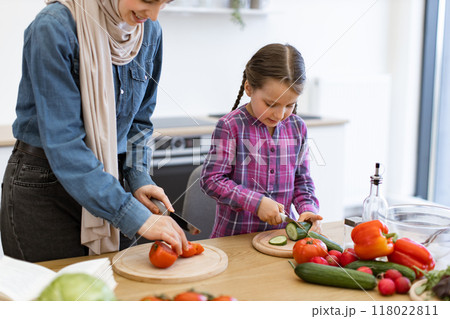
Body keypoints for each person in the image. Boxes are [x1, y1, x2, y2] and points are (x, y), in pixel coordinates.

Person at [0, 0, 188, 262]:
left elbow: (139, 122)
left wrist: (138, 176)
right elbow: (64, 142)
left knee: (109, 294)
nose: (154, 14)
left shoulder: (149, 33)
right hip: (44, 188)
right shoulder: (54, 27)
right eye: (148, 0)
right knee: (54, 297)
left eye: (165, 3)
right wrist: (133, 215)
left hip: (110, 181)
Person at [200, 43, 322, 238]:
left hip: (281, 238)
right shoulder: (230, 126)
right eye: (271, 104)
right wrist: (255, 203)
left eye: (290, 105)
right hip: (235, 241)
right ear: (249, 88)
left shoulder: (297, 128)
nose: (280, 114)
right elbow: (211, 180)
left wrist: (308, 209)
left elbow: (302, 180)